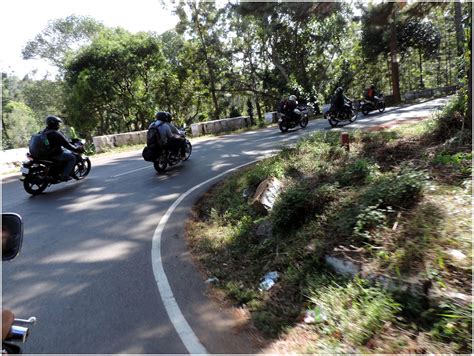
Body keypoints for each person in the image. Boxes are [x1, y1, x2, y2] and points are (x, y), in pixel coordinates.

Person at [42, 116, 83, 181]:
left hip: (44, 154)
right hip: (54, 154)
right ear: (54, 123)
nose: (59, 125)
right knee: (72, 158)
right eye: (58, 123)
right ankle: (65, 176)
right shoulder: (55, 133)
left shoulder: (44, 131)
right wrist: (76, 149)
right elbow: (67, 144)